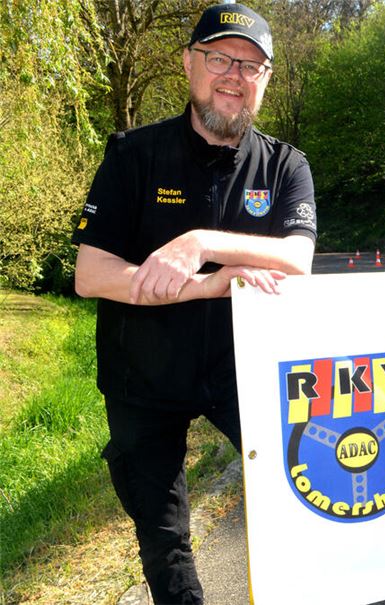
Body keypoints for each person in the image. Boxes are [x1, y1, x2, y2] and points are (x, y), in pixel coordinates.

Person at [71, 3, 316, 603]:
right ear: (188, 63)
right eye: (220, 58)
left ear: (266, 81)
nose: (235, 74)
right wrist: (212, 280)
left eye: (252, 65)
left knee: (301, 490)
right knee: (165, 537)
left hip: (244, 373)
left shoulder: (286, 166)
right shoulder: (133, 156)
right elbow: (90, 275)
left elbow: (297, 259)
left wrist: (200, 242)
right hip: (143, 377)